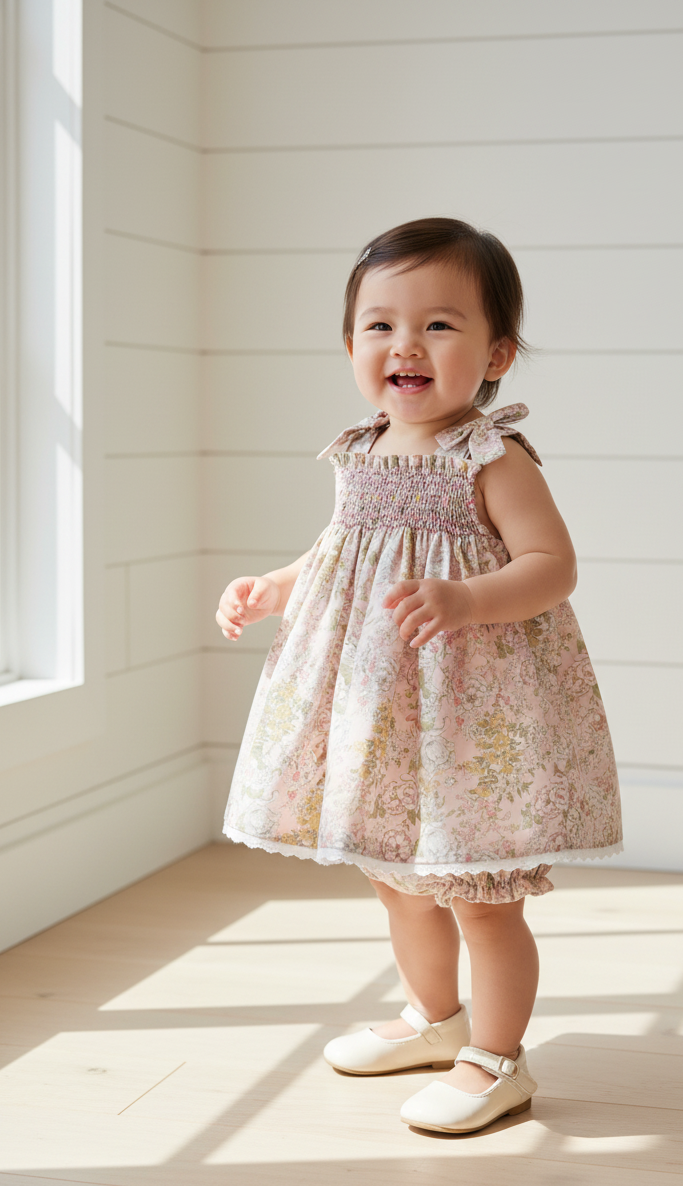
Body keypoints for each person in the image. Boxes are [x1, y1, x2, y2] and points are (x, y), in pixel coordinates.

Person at [216, 217, 622, 1135]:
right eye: (380, 325)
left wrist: (469, 600)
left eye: (439, 325)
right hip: (383, 713)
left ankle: (498, 1057)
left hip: (471, 714)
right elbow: (338, 550)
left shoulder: (491, 458)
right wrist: (274, 586)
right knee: (396, 878)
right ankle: (437, 1021)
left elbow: (551, 564)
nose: (406, 344)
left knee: (482, 896)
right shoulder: (359, 452)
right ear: (352, 345)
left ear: (497, 355)